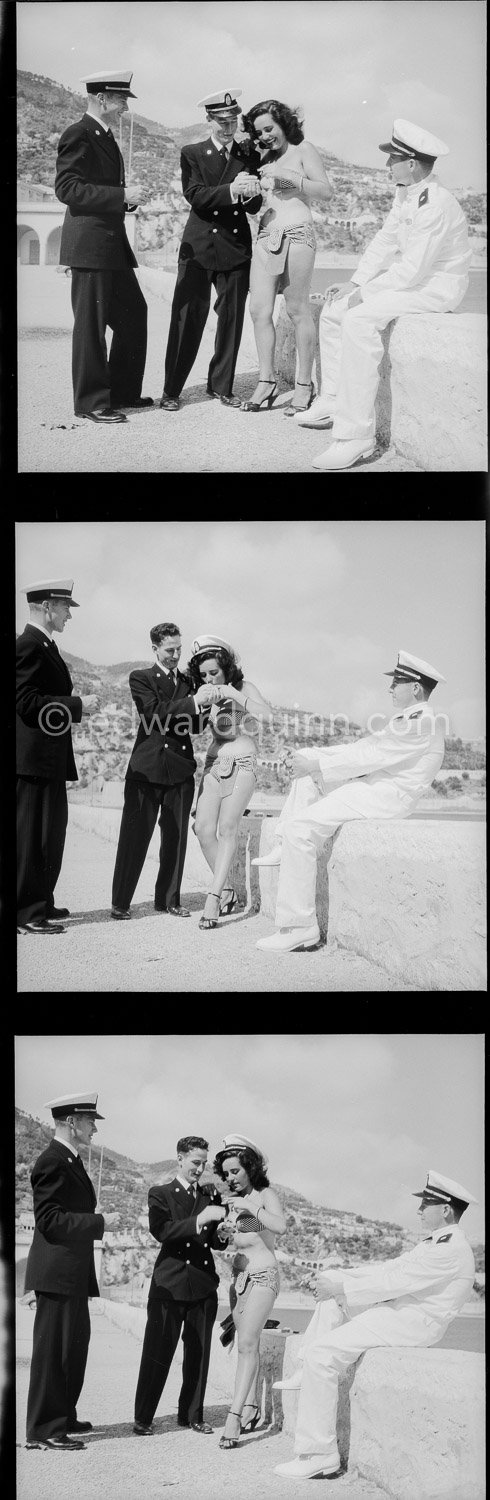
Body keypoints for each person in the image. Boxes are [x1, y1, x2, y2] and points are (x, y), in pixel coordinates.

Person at [272, 1169, 477, 1480]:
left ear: (445, 1210)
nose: (419, 1210)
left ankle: (319, 1454)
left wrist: (339, 1287)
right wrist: (334, 1279)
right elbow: (387, 1269)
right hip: (399, 1313)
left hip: (413, 1322)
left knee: (322, 1354)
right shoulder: (435, 1242)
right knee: (329, 1300)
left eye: (426, 1204)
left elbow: (394, 1282)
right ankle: (306, 1369)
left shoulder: (449, 1249)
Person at [294, 118, 472, 469]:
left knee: (359, 320)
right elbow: (386, 241)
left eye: (393, 159)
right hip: (412, 281)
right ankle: (332, 399)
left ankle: (355, 437)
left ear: (412, 163)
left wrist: (367, 294)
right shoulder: (405, 192)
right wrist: (356, 283)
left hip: (435, 288)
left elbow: (413, 270)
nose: (387, 165)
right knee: (334, 309)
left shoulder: (435, 204)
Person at [255, 650, 446, 953]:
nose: (390, 687)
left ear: (416, 688)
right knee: (305, 780)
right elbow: (362, 747)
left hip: (386, 797)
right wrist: (309, 757)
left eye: (397, 681)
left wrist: (314, 764)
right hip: (374, 788)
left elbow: (368, 757)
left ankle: (300, 927)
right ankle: (284, 844)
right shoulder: (407, 718)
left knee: (300, 829)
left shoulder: (422, 722)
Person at [55, 68, 151, 424]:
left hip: (110, 244)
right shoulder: (78, 133)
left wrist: (125, 201)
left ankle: (122, 391)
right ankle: (92, 402)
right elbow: (68, 189)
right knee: (91, 326)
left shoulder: (104, 135)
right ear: (101, 98)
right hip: (90, 244)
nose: (126, 105)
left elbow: (94, 188)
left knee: (133, 314)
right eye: (122, 98)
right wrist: (122, 195)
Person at [24, 1091, 120, 1450]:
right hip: (57, 1274)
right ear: (71, 1122)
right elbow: (48, 1220)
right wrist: (99, 1222)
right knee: (54, 1354)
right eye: (90, 1121)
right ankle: (45, 1429)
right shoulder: (51, 1161)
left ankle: (63, 1414)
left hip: (72, 1275)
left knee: (74, 1350)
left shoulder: (70, 1159)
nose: (94, 1127)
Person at [159, 88, 263, 411]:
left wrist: (250, 195)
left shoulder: (248, 155)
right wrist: (233, 190)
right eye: (221, 121)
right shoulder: (192, 153)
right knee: (187, 318)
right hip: (201, 245)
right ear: (208, 120)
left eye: (232, 121)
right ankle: (171, 390)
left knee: (231, 321)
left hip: (235, 247)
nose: (228, 127)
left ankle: (221, 386)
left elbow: (255, 203)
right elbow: (196, 195)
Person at [111, 622, 219, 919]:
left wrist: (206, 708)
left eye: (179, 650)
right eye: (170, 650)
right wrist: (192, 702)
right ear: (155, 649)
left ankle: (169, 899)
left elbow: (194, 726)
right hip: (146, 769)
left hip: (179, 771)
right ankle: (120, 902)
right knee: (134, 837)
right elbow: (152, 713)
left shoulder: (187, 682)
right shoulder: (141, 678)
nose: (175, 655)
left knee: (176, 838)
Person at [17, 578, 99, 935]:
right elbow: (25, 702)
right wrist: (77, 705)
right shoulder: (28, 646)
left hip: (46, 760)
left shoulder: (44, 644)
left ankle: (42, 901)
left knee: (50, 834)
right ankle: (27, 912)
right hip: (32, 761)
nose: (69, 615)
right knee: (32, 836)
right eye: (66, 607)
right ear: (48, 607)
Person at [238, 100, 332, 414]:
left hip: (298, 236)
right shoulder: (261, 157)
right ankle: (267, 381)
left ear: (283, 124)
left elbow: (325, 191)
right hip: (265, 238)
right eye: (259, 131)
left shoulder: (304, 150)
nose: (265, 136)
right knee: (258, 310)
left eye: (270, 128)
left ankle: (304, 385)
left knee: (297, 310)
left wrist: (288, 181)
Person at [133, 1135, 227, 1435]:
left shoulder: (211, 1195)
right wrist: (201, 1219)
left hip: (202, 1286)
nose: (199, 1169)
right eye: (195, 1163)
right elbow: (161, 1230)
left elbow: (213, 1241)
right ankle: (143, 1417)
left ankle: (192, 1415)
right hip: (169, 1284)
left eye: (203, 1164)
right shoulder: (160, 1193)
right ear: (180, 1159)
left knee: (198, 1355)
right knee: (157, 1351)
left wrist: (221, 1233)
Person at [187, 635, 272, 928]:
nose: (209, 678)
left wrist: (232, 694)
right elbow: (191, 726)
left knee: (227, 828)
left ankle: (213, 898)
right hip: (213, 764)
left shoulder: (245, 688)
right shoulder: (205, 692)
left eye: (214, 672)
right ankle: (226, 891)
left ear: (226, 668)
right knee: (202, 828)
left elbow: (267, 717)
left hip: (242, 763)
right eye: (204, 675)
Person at [213, 1133, 286, 1448]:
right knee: (248, 1347)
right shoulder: (231, 1201)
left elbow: (279, 1226)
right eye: (226, 1173)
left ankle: (234, 1416)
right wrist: (225, 1230)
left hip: (263, 1277)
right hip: (238, 1281)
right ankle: (253, 1408)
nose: (230, 1178)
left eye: (235, 1172)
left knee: (244, 1345)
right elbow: (246, 1234)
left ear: (250, 1168)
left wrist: (246, 1207)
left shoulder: (265, 1194)